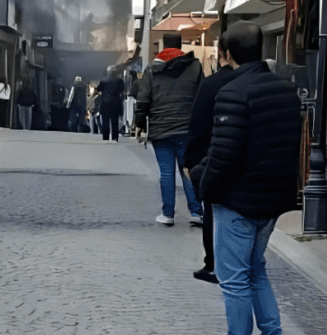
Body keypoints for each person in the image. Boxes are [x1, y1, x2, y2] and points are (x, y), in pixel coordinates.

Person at [193, 22, 301, 335]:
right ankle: (272, 331)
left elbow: (223, 154)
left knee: (235, 280)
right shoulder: (286, 91)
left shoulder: (233, 92)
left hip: (238, 200)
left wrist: (204, 186)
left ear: (227, 54)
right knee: (255, 270)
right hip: (271, 202)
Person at [183, 36, 239, 285]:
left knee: (213, 211)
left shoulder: (211, 84)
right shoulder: (269, 84)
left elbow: (198, 125)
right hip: (252, 165)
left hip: (213, 157)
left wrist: (190, 162)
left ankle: (214, 264)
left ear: (224, 53)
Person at [134, 47, 204, 226]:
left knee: (166, 172)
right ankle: (196, 212)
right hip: (187, 129)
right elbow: (202, 96)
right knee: (187, 170)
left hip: (161, 129)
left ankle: (168, 214)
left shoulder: (152, 70)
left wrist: (140, 124)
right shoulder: (194, 67)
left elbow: (143, 100)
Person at [96, 66, 125, 142]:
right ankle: (114, 137)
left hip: (105, 103)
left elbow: (98, 89)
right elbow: (122, 89)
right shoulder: (119, 81)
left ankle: (105, 137)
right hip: (116, 103)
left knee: (105, 122)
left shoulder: (103, 81)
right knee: (115, 122)